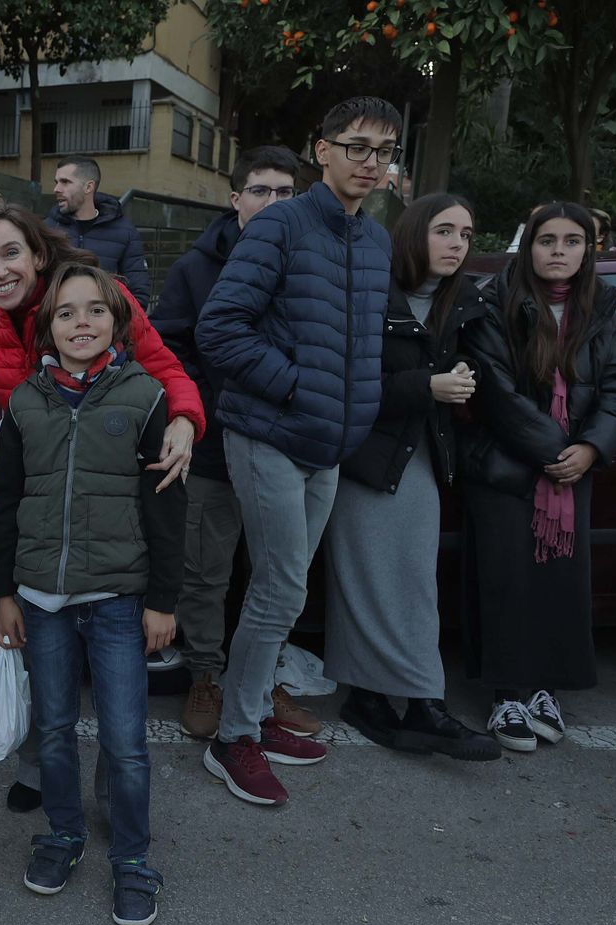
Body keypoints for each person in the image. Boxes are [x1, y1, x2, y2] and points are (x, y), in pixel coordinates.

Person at [0, 201, 205, 814]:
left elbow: (164, 372)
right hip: (36, 502)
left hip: (107, 504)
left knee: (107, 658)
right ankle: (40, 770)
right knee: (39, 643)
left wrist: (184, 418)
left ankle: (111, 782)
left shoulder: (93, 300)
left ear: (38, 254)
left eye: (9, 253)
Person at [195, 96, 400, 806]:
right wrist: (295, 389)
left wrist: (351, 405)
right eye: (357, 146)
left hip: (329, 444)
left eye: (383, 150)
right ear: (323, 149)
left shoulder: (375, 241)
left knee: (284, 587)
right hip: (269, 432)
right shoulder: (280, 224)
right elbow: (218, 328)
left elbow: (364, 344)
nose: (370, 162)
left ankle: (247, 715)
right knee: (281, 586)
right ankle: (233, 738)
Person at [0, 263, 184, 925]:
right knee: (54, 730)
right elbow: (6, 502)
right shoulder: (25, 402)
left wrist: (163, 598)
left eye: (95, 311)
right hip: (40, 601)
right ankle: (63, 834)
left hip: (119, 600)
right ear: (47, 327)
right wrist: (4, 592)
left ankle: (133, 858)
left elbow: (166, 506)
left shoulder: (147, 396)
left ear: (117, 323)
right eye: (66, 312)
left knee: (126, 741)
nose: (81, 323)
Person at [323, 195, 500, 759]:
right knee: (364, 580)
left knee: (412, 582)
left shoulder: (464, 300)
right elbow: (346, 380)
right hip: (366, 454)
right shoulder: (371, 292)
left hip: (422, 454)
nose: (457, 244)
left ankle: (421, 703)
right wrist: (427, 385)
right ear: (413, 234)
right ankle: (378, 699)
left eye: (467, 234)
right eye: (444, 231)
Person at [459, 201, 616, 752]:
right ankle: (507, 694)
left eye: (572, 241)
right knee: (505, 581)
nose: (558, 251)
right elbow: (495, 394)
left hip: (571, 471)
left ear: (589, 250)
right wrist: (559, 451)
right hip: (507, 466)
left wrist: (590, 448)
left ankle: (544, 690)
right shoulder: (493, 304)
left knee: (560, 585)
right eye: (547, 241)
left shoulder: (602, 309)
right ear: (529, 244)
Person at [149, 145, 305, 742]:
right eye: (259, 191)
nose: (270, 203)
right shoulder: (195, 267)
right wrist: (205, 409)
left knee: (274, 574)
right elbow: (170, 351)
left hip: (288, 443)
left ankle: (261, 682)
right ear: (234, 198)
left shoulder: (310, 259)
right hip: (217, 443)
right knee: (206, 572)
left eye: (284, 192)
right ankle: (206, 676)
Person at [45, 156, 152, 308]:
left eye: (65, 182)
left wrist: (109, 322)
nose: (56, 189)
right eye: (56, 182)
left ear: (89, 187)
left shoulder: (125, 232)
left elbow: (139, 294)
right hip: (56, 326)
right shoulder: (46, 230)